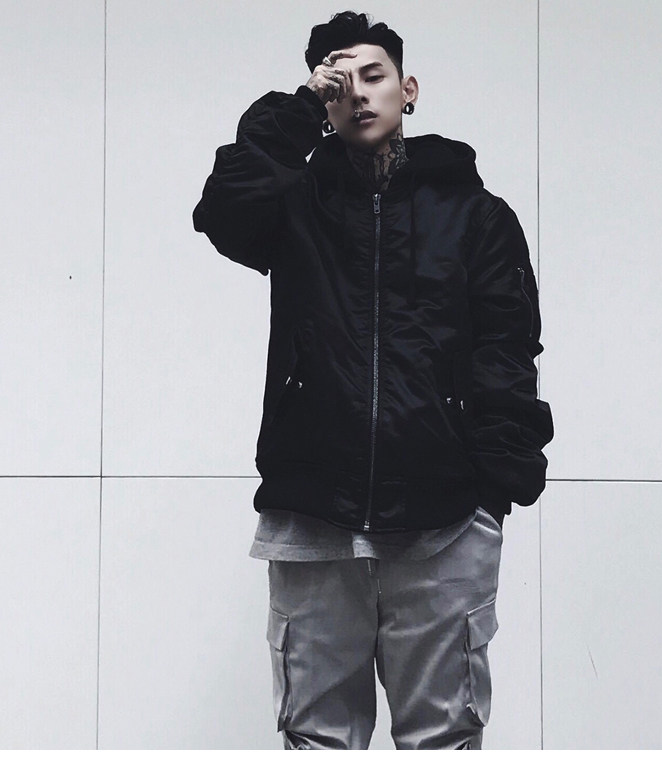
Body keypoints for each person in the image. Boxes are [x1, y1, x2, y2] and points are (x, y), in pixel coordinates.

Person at [193, 11, 553, 750]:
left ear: (408, 89)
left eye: (373, 75)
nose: (357, 93)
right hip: (312, 517)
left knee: (442, 740)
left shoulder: (477, 216)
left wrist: (493, 494)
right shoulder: (295, 206)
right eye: (338, 82)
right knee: (317, 740)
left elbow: (508, 351)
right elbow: (224, 209)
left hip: (444, 520)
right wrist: (300, 107)